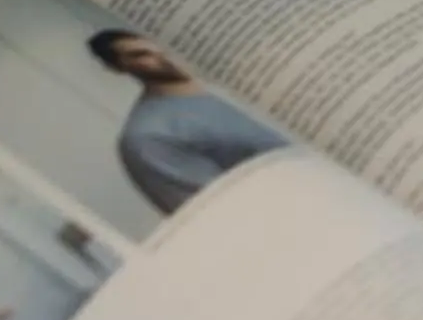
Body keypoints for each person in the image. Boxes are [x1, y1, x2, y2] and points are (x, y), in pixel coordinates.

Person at [86, 29, 288, 214]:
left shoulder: (244, 74)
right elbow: (220, 211)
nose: (162, 54)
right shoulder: (148, 135)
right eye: (141, 54)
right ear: (118, 68)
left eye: (159, 42)